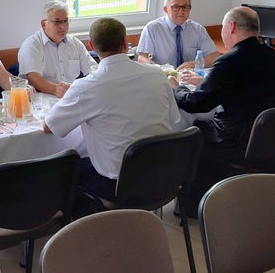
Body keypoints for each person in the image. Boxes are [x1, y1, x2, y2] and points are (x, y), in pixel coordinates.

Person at [43, 17, 181, 201]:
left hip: (118, 185)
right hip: (164, 177)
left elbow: (50, 126)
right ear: (125, 42)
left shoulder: (86, 87)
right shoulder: (157, 75)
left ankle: (90, 219)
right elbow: (173, 118)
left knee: (66, 169)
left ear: (92, 46)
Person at [169, 6, 275, 216]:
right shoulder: (273, 55)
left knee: (194, 132)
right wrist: (206, 81)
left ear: (231, 27)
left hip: (236, 138)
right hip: (270, 136)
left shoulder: (228, 61)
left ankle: (193, 205)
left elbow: (196, 104)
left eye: (223, 27)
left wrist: (176, 88)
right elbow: (245, 85)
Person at [18, 0, 97, 98]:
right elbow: (34, 79)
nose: (63, 26)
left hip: (71, 97)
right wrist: (55, 89)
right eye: (57, 22)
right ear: (44, 25)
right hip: (42, 100)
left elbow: (92, 70)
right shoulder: (32, 45)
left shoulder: (75, 44)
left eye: (65, 21)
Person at [137, 0, 220, 70]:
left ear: (190, 9)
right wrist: (160, 69)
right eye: (176, 7)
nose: (181, 12)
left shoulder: (198, 29)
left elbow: (214, 56)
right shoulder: (153, 28)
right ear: (166, 9)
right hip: (162, 76)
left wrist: (194, 64)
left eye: (185, 7)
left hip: (190, 76)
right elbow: (142, 58)